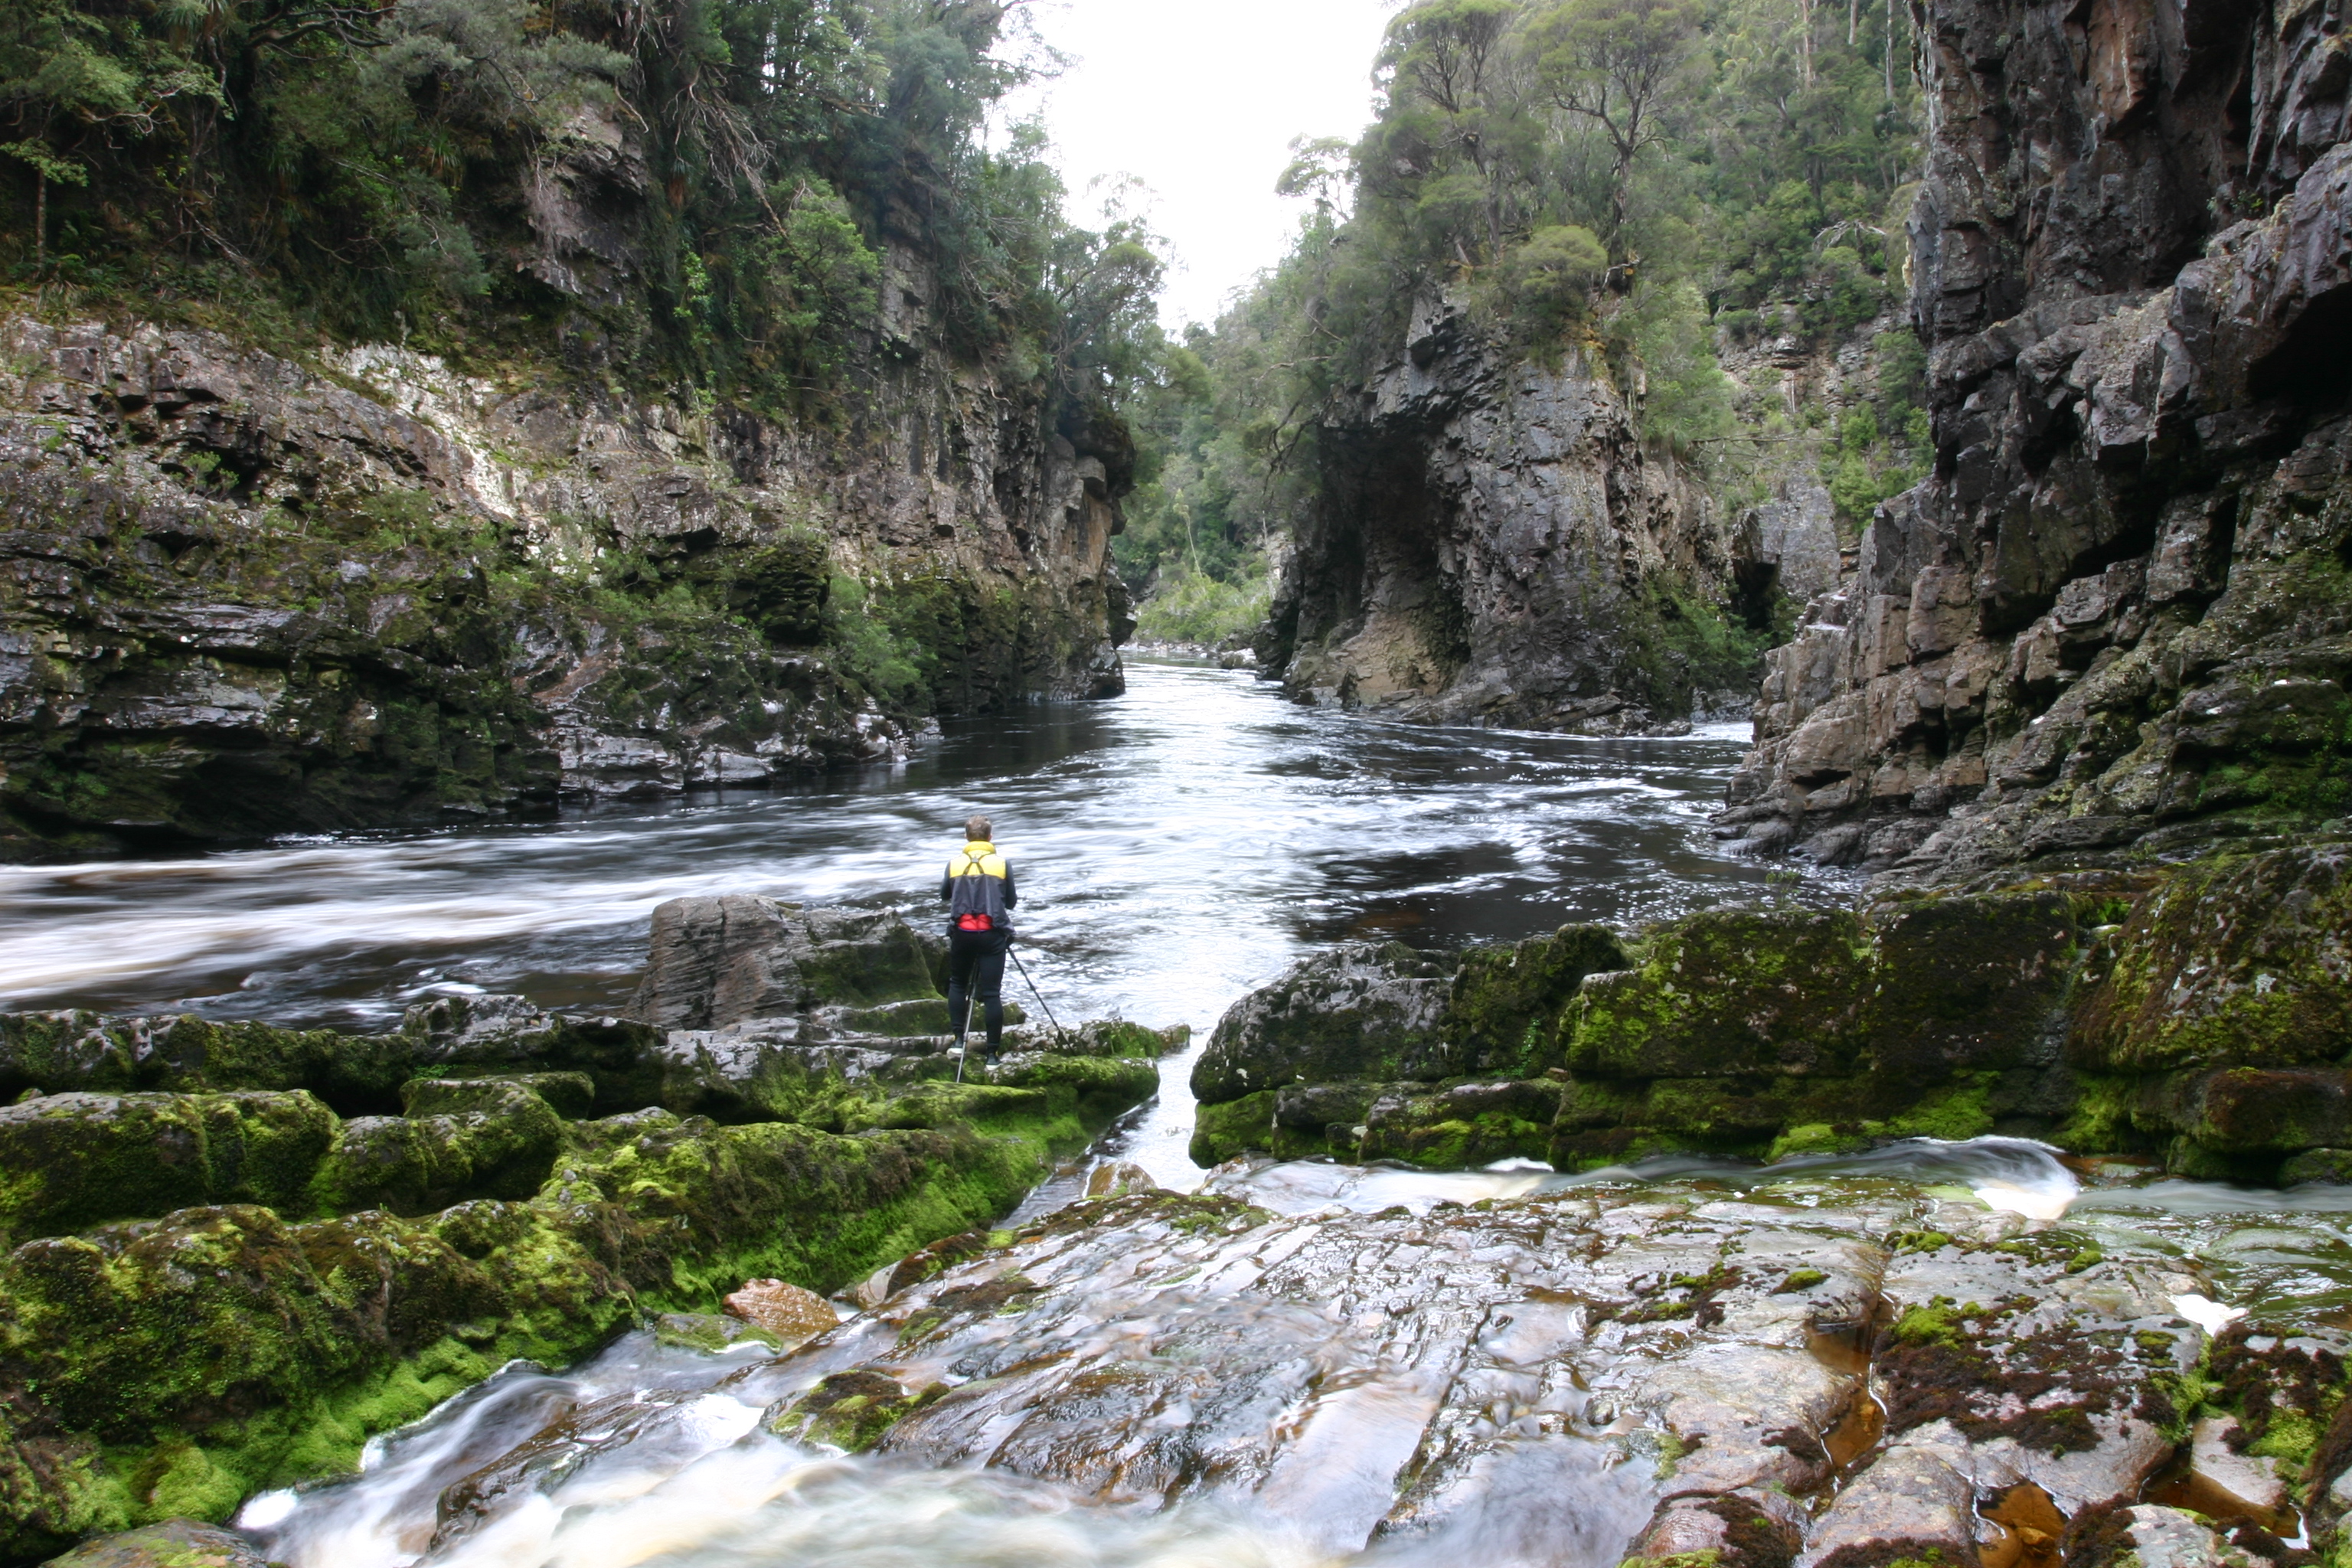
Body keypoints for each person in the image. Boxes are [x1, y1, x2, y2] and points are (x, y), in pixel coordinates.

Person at [942, 814, 1016, 1060]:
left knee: (957, 984)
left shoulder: (954, 864)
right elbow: (1011, 902)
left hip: (962, 934)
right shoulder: (1002, 864)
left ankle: (958, 1040)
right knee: (992, 993)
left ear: (966, 837)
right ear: (990, 837)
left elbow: (944, 895)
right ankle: (992, 1055)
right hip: (992, 935)